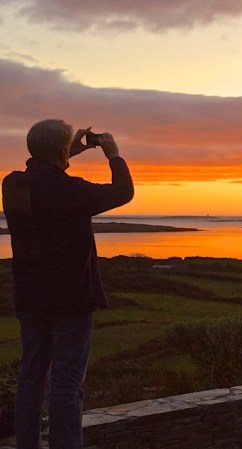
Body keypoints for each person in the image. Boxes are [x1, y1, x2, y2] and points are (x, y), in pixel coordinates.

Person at [2, 119, 134, 448]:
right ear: (61, 152)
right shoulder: (70, 191)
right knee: (66, 387)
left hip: (30, 300)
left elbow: (42, 177)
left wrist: (68, 152)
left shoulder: (12, 184)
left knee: (31, 380)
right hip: (71, 302)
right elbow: (123, 192)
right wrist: (113, 155)